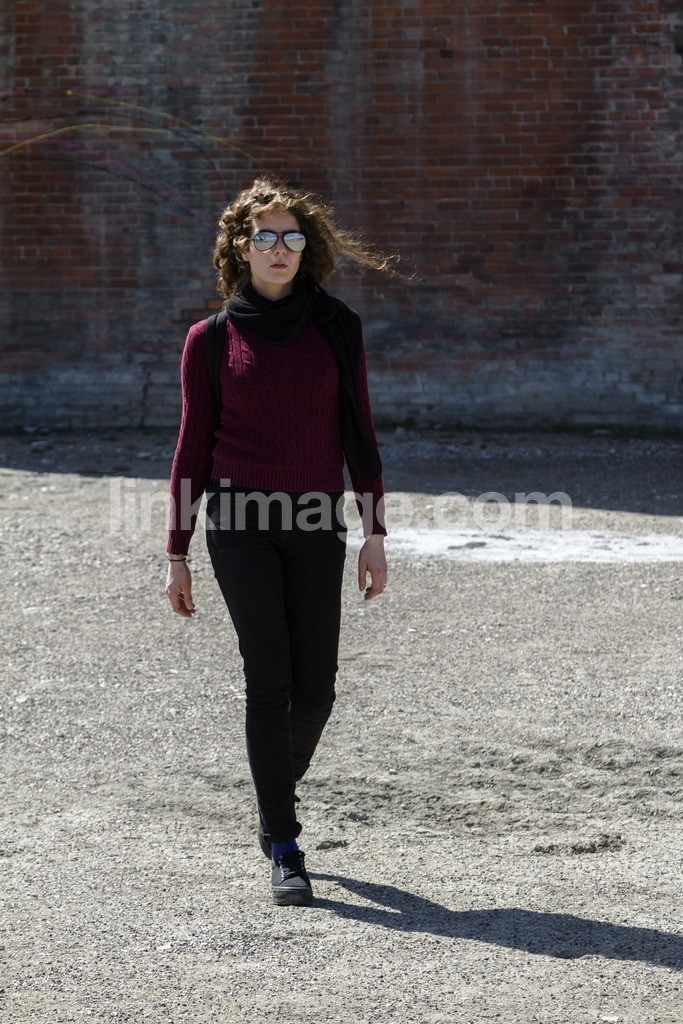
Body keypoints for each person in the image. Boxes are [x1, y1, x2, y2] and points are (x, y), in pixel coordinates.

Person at [165, 176, 391, 907]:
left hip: (316, 523)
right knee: (269, 681)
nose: (279, 249)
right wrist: (176, 551)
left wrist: (374, 532)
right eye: (264, 236)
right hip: (239, 527)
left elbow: (359, 431)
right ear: (241, 247)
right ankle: (284, 842)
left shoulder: (337, 326)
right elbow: (191, 449)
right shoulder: (209, 340)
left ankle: (273, 783)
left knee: (316, 688)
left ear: (306, 247)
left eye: (292, 237)